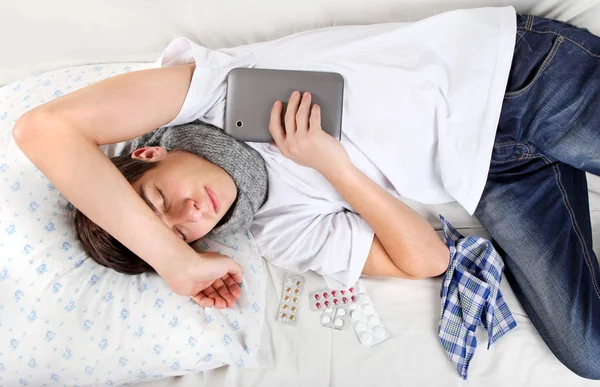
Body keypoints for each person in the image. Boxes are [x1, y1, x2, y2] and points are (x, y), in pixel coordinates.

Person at [13, 7, 600, 379]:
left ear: (148, 154)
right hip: (498, 177)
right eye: (182, 234)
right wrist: (336, 168)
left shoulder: (203, 90)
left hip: (517, 79)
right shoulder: (279, 231)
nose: (191, 212)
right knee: (589, 356)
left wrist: (175, 263)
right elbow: (429, 260)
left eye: (159, 200)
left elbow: (43, 129)